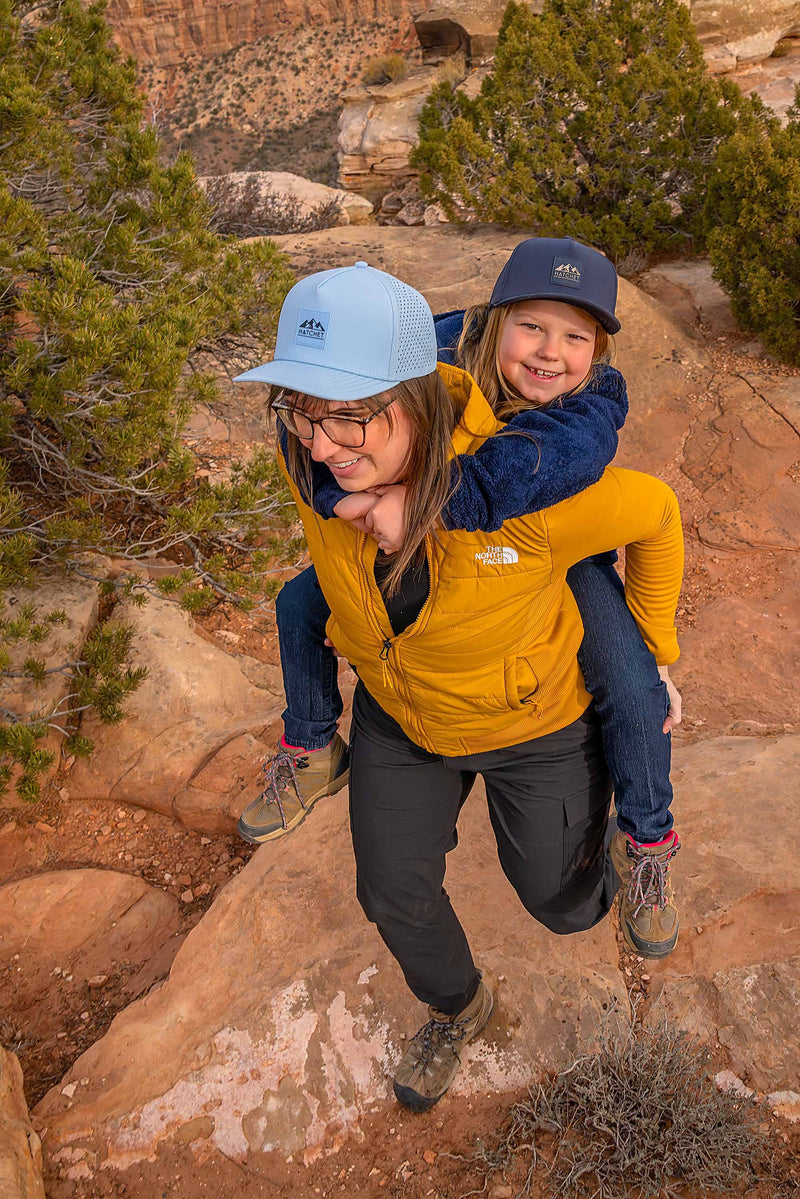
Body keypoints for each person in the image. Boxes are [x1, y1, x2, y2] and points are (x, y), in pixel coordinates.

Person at [234, 262, 684, 1113]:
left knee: (563, 905)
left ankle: (642, 838)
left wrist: (655, 650)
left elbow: (656, 513)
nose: (320, 445)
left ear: (418, 401)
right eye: (299, 407)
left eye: (350, 416)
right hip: (403, 719)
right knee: (391, 890)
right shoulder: (313, 455)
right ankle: (459, 1006)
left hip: (532, 724)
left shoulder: (527, 483)